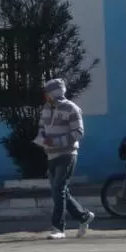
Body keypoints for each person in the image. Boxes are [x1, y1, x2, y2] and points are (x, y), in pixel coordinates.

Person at [38, 78, 94, 239]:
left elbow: (78, 132)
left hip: (67, 154)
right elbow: (42, 128)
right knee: (60, 191)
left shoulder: (71, 108)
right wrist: (41, 140)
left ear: (54, 93)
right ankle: (83, 216)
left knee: (58, 189)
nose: (45, 95)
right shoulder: (46, 109)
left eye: (47, 92)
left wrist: (55, 141)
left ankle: (58, 228)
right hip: (51, 155)